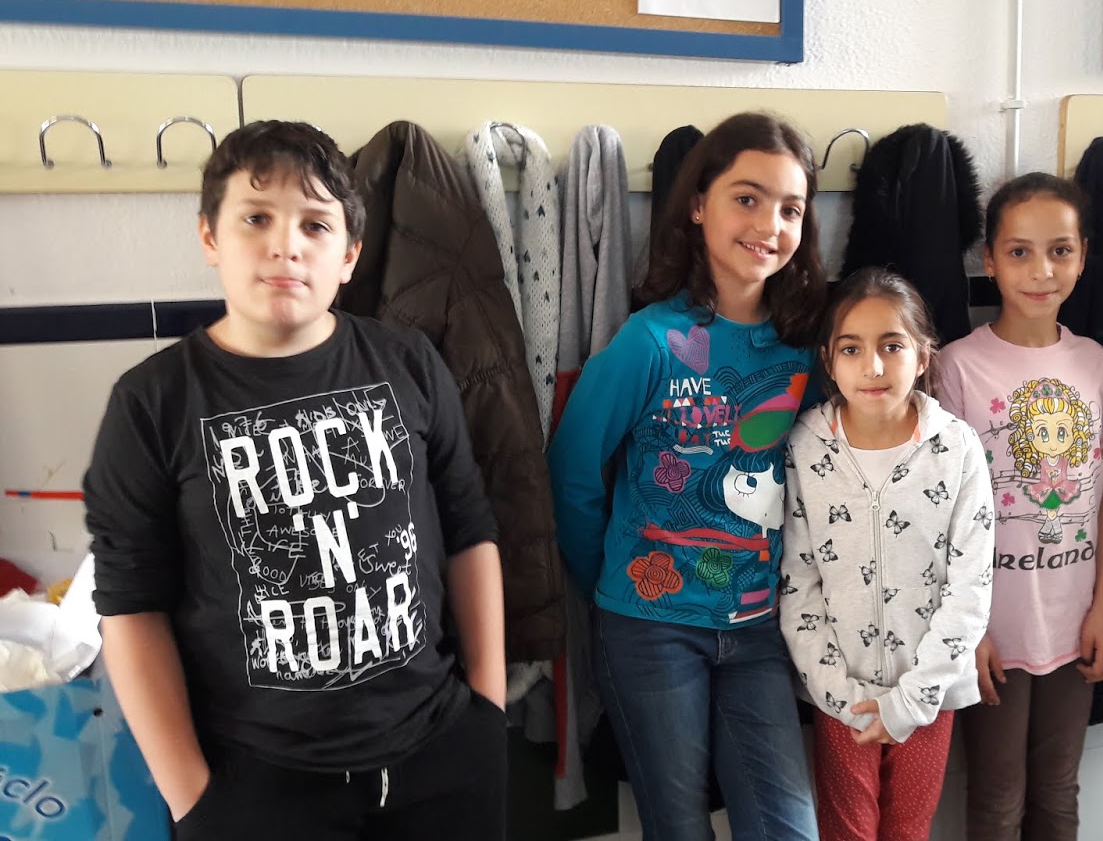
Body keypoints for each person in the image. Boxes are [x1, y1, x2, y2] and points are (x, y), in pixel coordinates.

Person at [84, 120, 508, 841]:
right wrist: (194, 800)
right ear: (210, 237)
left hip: (441, 757)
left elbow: (470, 529)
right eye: (256, 218)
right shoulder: (153, 402)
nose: (286, 245)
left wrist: (487, 714)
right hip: (258, 787)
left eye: (315, 224)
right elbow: (130, 605)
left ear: (349, 257)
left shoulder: (408, 362)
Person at [548, 112, 827, 840]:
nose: (769, 224)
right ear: (699, 204)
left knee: (788, 828)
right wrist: (612, 579)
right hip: (650, 629)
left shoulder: (806, 349)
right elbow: (572, 472)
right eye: (747, 198)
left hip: (759, 629)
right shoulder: (649, 341)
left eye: (790, 208)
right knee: (678, 827)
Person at [933, 172, 1103, 840]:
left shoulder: (1094, 362)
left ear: (1083, 255)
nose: (1041, 271)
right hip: (992, 626)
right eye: (1019, 252)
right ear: (989, 260)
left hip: (1075, 623)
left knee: (1058, 790)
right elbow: (942, 512)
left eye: (1060, 250)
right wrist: (971, 629)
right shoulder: (957, 366)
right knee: (997, 799)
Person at [780, 267, 994, 841]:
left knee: (907, 830)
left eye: (892, 346)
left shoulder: (957, 449)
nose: (872, 366)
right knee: (846, 831)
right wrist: (841, 696)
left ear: (923, 356)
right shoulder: (805, 448)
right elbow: (797, 584)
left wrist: (913, 700)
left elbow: (971, 588)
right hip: (841, 697)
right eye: (852, 348)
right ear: (828, 362)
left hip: (927, 695)